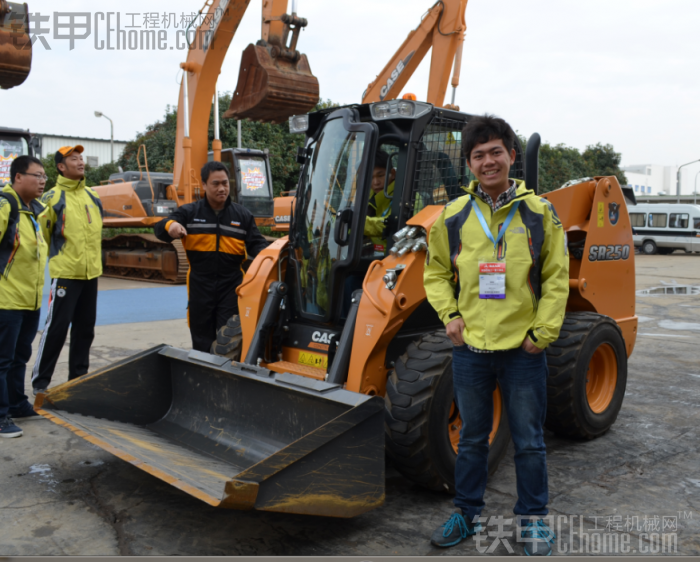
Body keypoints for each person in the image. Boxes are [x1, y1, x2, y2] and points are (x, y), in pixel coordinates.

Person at [424, 115, 569, 555]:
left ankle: (533, 520)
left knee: (528, 440)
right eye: (478, 155)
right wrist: (450, 316)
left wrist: (541, 334)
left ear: (511, 155)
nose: (488, 162)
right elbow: (434, 273)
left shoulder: (539, 213)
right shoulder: (452, 216)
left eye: (495, 152)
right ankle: (466, 515)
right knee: (471, 438)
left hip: (523, 351)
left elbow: (557, 277)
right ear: (468, 164)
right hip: (470, 349)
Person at [155, 161, 268, 352]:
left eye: (225, 183)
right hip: (200, 286)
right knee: (201, 340)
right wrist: (171, 226)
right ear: (204, 185)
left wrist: (270, 256)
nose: (222, 188)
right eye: (216, 184)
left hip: (231, 286)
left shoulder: (242, 216)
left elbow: (257, 245)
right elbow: (161, 227)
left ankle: (227, 377)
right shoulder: (190, 213)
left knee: (231, 340)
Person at [32, 146, 104, 395]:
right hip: (65, 274)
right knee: (57, 328)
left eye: (81, 158)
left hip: (91, 274)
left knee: (85, 329)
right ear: (61, 167)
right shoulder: (51, 198)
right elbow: (39, 238)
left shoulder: (93, 197)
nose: (80, 162)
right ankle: (40, 382)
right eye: (74, 159)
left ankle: (78, 380)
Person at [0, 156, 48, 438]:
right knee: (3, 360)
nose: (42, 181)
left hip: (29, 300)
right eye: (37, 175)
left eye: (44, 176)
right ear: (18, 177)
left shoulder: (34, 211)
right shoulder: (6, 204)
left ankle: (17, 404)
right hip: (6, 300)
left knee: (20, 356)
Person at [364, 150, 396, 256]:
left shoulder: (406, 197)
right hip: (375, 257)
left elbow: (392, 225)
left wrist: (357, 223)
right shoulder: (368, 197)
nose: (375, 182)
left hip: (396, 258)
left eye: (380, 176)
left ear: (393, 174)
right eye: (371, 177)